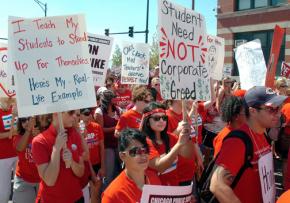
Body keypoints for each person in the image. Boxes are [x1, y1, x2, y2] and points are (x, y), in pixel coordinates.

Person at [210, 86, 287, 203]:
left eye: (279, 108)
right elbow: (217, 185)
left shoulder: (262, 134)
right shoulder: (238, 141)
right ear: (253, 111)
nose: (278, 114)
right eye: (272, 109)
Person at [32, 110, 85, 203]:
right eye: (70, 113)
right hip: (52, 199)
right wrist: (56, 149)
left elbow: (81, 172)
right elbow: (49, 181)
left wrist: (71, 162)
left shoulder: (74, 134)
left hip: (76, 198)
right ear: (56, 113)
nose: (74, 116)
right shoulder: (39, 141)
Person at [141, 102, 194, 186]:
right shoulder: (144, 142)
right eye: (156, 118)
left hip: (173, 188)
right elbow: (160, 167)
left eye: (164, 118)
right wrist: (179, 144)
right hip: (155, 191)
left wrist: (187, 135)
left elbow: (188, 155)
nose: (161, 121)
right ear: (147, 121)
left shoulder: (171, 137)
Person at [102, 128, 161, 203]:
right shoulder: (112, 195)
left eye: (146, 150)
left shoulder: (154, 178)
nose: (143, 155)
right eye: (136, 151)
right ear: (122, 156)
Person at [12, 116, 41, 203]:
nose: (27, 122)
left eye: (30, 119)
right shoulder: (17, 136)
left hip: (43, 180)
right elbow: (20, 148)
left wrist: (40, 136)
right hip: (23, 180)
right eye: (24, 120)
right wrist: (28, 131)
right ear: (20, 124)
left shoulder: (43, 134)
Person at [80, 108, 105, 203]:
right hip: (86, 166)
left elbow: (102, 148)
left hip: (97, 164)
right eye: (85, 114)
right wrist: (91, 172)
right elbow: (83, 152)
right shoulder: (78, 130)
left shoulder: (97, 127)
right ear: (80, 116)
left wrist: (103, 166)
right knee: (92, 192)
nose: (88, 116)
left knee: (97, 192)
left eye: (89, 114)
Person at [0, 97, 17, 203]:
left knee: (20, 189)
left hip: (19, 153)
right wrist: (10, 133)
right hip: (2, 156)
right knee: (4, 193)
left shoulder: (19, 108)